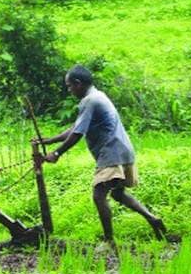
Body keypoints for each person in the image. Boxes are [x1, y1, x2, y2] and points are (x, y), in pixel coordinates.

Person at [33, 65, 170, 251]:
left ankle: (109, 240)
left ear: (78, 83)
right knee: (117, 193)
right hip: (123, 149)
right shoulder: (98, 96)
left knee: (99, 195)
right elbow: (75, 127)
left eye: (69, 86)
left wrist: (57, 153)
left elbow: (77, 134)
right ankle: (153, 219)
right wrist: (50, 140)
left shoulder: (90, 101)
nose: (69, 90)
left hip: (111, 152)